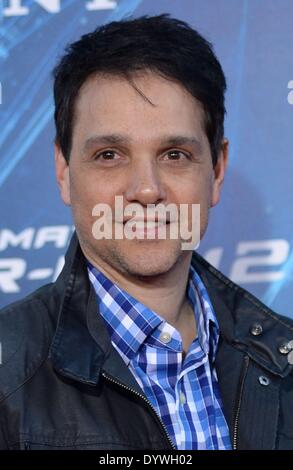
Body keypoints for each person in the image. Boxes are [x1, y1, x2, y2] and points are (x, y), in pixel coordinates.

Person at [0, 14, 293, 451]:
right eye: (109, 154)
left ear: (216, 170)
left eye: (174, 154)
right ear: (63, 171)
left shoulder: (283, 358)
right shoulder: (10, 372)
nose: (146, 190)